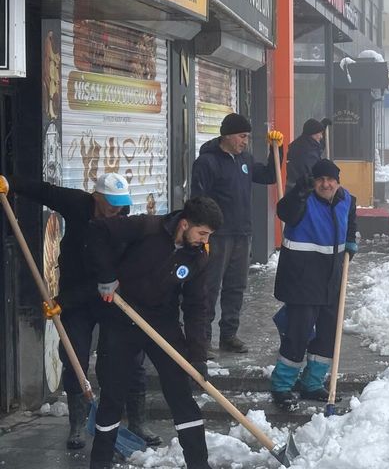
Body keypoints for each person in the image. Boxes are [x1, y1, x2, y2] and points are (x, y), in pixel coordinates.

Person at [0, 173, 161, 449]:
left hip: (111, 297)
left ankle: (137, 422)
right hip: (76, 297)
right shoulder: (77, 203)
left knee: (129, 358)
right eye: (110, 203)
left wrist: (65, 300)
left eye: (120, 204)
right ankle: (77, 425)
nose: (116, 209)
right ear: (96, 197)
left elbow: (107, 277)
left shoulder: (125, 224)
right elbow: (45, 191)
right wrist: (11, 183)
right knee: (74, 356)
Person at [88, 196, 223, 469]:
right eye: (202, 233)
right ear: (184, 224)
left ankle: (199, 464)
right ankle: (99, 462)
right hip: (122, 318)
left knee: (180, 394)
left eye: (208, 235)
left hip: (162, 323)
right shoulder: (147, 227)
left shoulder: (197, 257)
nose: (204, 240)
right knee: (113, 395)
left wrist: (197, 357)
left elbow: (196, 307)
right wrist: (106, 275)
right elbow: (97, 231)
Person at [191, 113, 282, 355]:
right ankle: (202, 339)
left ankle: (229, 335)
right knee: (209, 288)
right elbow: (197, 200)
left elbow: (269, 176)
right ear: (228, 135)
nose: (245, 141)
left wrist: (276, 150)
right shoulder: (207, 162)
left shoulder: (245, 159)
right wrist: (203, 234)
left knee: (236, 287)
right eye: (242, 136)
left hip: (242, 233)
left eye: (247, 137)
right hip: (217, 236)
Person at [270, 159, 357, 409]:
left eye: (330, 180)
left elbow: (351, 224)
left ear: (338, 182)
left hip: (332, 278)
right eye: (320, 179)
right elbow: (285, 212)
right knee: (298, 333)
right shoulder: (303, 199)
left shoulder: (346, 199)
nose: (325, 184)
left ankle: (312, 382)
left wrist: (351, 242)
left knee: (328, 334)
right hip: (302, 277)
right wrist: (299, 191)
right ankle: (282, 385)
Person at [286, 118, 328, 191]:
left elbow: (320, 147)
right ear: (313, 133)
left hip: (296, 185)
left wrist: (323, 126)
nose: (321, 137)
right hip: (301, 189)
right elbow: (310, 172)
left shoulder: (307, 142)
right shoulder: (305, 151)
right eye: (320, 133)